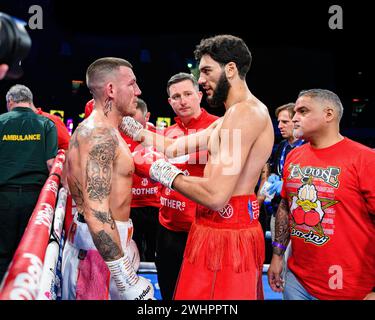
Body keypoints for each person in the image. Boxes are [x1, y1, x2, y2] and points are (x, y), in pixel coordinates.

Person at [120, 34, 274, 299]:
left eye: (205, 71)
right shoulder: (229, 118)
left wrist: (165, 174)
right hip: (210, 227)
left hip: (228, 230)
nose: (200, 79)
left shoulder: (246, 114)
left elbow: (216, 196)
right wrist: (136, 130)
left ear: (231, 69)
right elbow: (172, 147)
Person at [267, 89, 375, 300]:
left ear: (328, 115)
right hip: (297, 280)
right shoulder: (294, 155)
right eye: (295, 111)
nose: (295, 117)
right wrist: (278, 254)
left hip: (349, 286)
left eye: (303, 111)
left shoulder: (365, 159)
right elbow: (286, 205)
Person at [61, 57, 154, 300]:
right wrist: (124, 276)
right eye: (132, 84)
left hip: (105, 250)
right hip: (96, 255)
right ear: (111, 90)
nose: (138, 91)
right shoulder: (99, 135)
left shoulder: (109, 131)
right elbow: (96, 212)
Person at [155, 72, 218, 300]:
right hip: (168, 227)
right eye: (176, 96)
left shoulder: (217, 128)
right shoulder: (166, 134)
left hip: (203, 228)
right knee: (169, 292)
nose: (182, 100)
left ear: (199, 96)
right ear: (169, 102)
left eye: (188, 94)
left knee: (202, 296)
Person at [0, 84, 57, 282]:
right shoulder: (46, 124)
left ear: (10, 102)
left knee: (2, 253)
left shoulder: (0, 122)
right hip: (36, 200)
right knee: (30, 253)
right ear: (30, 102)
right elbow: (52, 164)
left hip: (3, 198)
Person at [258, 103, 304, 241]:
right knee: (278, 256)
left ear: (296, 121)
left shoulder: (308, 147)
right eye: (278, 122)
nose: (279, 126)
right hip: (277, 211)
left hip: (299, 215)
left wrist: (285, 184)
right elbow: (274, 171)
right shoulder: (281, 146)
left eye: (284, 122)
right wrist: (272, 178)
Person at [127, 98, 161, 262]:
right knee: (134, 250)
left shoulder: (160, 135)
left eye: (136, 122)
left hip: (155, 204)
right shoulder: (119, 135)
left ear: (147, 117)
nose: (132, 127)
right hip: (131, 205)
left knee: (154, 250)